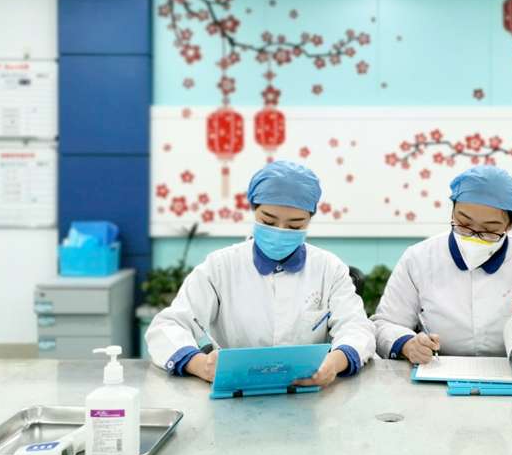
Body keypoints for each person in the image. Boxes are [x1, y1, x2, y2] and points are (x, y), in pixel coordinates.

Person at [146, 161, 376, 387]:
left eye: (295, 226)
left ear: (309, 219)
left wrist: (335, 362)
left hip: (310, 394)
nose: (280, 232)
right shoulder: (220, 267)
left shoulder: (329, 269)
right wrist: (199, 364)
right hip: (236, 393)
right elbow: (168, 328)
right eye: (268, 221)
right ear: (254, 209)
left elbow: (357, 328)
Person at [370, 165, 512, 363]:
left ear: (510, 223)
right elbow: (385, 324)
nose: (474, 237)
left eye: (489, 229)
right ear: (453, 211)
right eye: (464, 224)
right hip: (438, 371)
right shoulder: (419, 258)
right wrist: (408, 345)